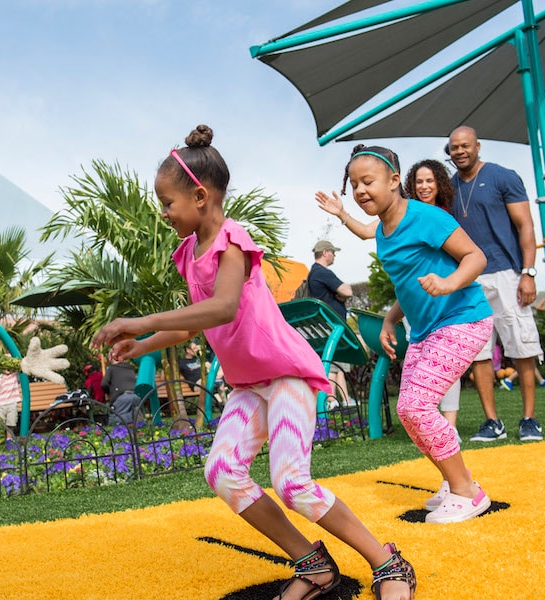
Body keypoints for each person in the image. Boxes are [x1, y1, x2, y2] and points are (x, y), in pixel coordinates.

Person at [92, 125, 415, 600]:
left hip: (285, 373)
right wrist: (141, 345)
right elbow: (191, 325)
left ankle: (388, 563)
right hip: (248, 384)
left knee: (292, 482)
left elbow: (223, 306)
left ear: (199, 196)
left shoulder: (233, 238)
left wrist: (139, 322)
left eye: (167, 203)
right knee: (221, 473)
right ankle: (314, 564)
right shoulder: (187, 254)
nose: (163, 213)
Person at [336, 144, 493, 525]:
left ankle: (468, 492)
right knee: (409, 411)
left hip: (462, 318)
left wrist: (448, 282)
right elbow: (408, 283)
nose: (359, 190)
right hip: (425, 330)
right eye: (353, 184)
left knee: (416, 405)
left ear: (393, 181)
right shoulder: (385, 233)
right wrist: (390, 319)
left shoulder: (426, 217)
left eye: (367, 181)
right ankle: (455, 481)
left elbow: (476, 257)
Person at [316, 159, 462, 432]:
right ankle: (436, 430)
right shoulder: (392, 222)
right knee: (415, 393)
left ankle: (449, 427)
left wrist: (450, 282)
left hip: (450, 312)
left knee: (437, 374)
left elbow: (471, 256)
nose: (424, 186)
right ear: (408, 184)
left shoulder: (437, 217)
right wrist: (342, 214)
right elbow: (366, 233)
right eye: (418, 181)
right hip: (417, 314)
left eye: (430, 180)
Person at [448, 125, 544, 442]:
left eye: (465, 146)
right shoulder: (448, 188)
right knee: (478, 352)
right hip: (469, 278)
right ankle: (493, 423)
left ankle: (529, 419)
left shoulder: (503, 176)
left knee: (522, 345)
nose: (459, 151)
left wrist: (528, 272)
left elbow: (525, 225)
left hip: (507, 273)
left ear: (477, 146)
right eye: (453, 148)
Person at [307, 240, 355, 408]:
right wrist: (341, 293)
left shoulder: (314, 273)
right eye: (333, 252)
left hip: (329, 325)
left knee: (337, 365)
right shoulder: (322, 272)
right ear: (325, 252)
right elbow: (347, 291)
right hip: (332, 326)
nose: (334, 255)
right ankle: (331, 400)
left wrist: (340, 294)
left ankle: (339, 400)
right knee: (333, 365)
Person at [0, 365, 21, 439]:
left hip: (12, 403)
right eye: (5, 367)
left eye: (9, 367)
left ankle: (9, 439)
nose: (8, 369)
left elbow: (19, 365)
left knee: (11, 423)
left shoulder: (14, 376)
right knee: (0, 423)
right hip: (1, 404)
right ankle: (1, 440)